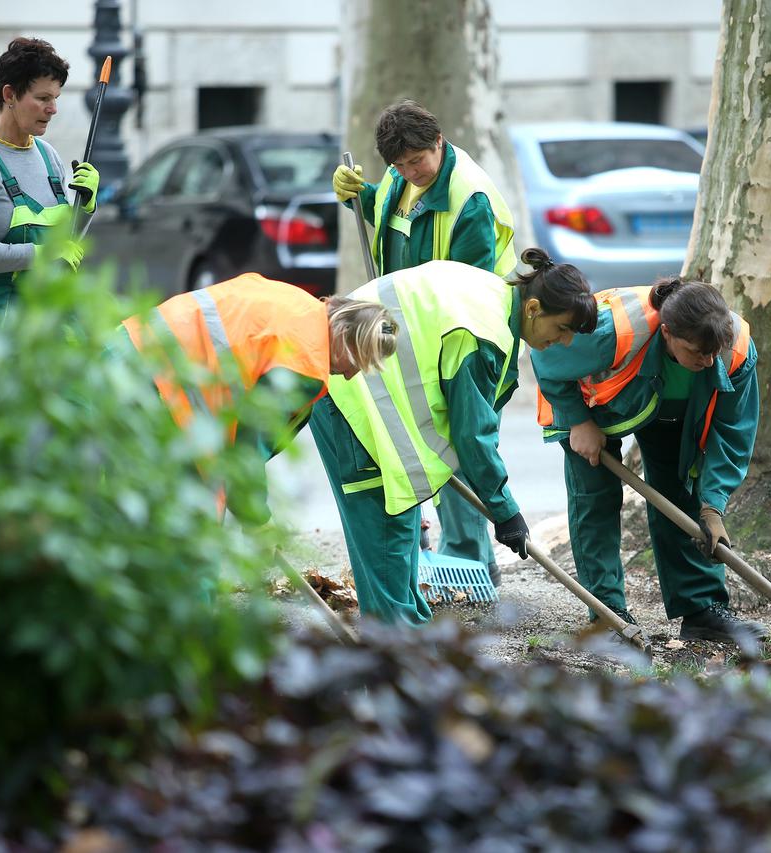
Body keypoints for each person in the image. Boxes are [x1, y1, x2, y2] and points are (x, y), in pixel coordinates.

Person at [310, 248, 598, 626]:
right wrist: (505, 511)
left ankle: (408, 642)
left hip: (357, 389)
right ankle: (396, 660)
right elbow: (472, 434)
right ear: (532, 309)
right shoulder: (484, 334)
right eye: (561, 328)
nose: (563, 342)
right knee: (386, 541)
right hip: (351, 396)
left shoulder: (491, 298)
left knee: (397, 537)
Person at [331, 98, 517, 583]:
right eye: (398, 166)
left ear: (439, 141)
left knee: (458, 440)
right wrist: (366, 196)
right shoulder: (401, 178)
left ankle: (473, 559)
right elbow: (403, 228)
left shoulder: (469, 199)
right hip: (410, 331)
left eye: (417, 161)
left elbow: (467, 289)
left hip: (461, 337)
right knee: (411, 438)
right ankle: (431, 549)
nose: (410, 172)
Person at [531, 277, 766, 646]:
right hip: (593, 404)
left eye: (712, 354)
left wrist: (713, 506)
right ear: (668, 333)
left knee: (681, 494)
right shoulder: (610, 333)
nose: (707, 363)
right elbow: (546, 355)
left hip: (671, 407)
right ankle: (608, 616)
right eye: (696, 353)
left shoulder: (733, 349)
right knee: (596, 501)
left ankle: (702, 609)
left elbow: (733, 432)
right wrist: (577, 420)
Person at [111, 273, 397, 525]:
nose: (349, 375)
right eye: (357, 361)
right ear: (345, 335)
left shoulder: (296, 303)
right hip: (152, 387)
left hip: (126, 346)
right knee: (190, 543)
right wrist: (258, 521)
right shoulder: (304, 362)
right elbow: (245, 452)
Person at [0, 37, 100, 323]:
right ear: (10, 95)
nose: (53, 109)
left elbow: (65, 248)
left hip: (40, 327)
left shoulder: (48, 155)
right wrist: (42, 254)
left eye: (55, 99)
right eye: (42, 98)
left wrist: (86, 207)